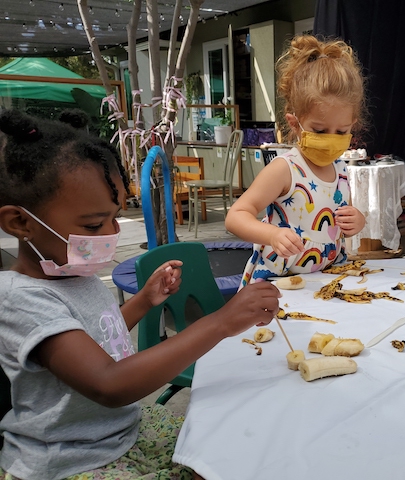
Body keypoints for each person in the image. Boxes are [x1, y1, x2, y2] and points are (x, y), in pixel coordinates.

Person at [0, 109, 280, 480]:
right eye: (93, 225)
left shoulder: (74, 272)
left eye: (114, 217)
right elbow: (108, 383)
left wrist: (144, 300)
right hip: (71, 460)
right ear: (20, 223)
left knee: (226, 446)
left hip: (123, 431)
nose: (111, 233)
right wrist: (219, 323)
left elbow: (98, 334)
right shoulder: (20, 300)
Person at [225, 35, 366, 285]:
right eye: (320, 131)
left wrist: (357, 219)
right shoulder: (285, 169)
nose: (331, 139)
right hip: (279, 284)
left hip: (325, 280)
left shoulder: (341, 169)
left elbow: (341, 215)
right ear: (295, 124)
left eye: (342, 131)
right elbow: (236, 216)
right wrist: (271, 235)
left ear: (352, 125)